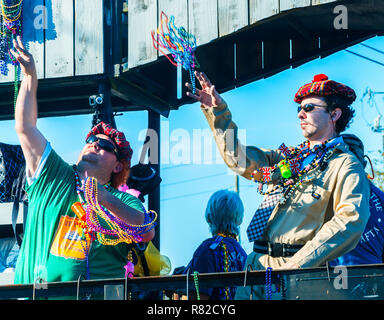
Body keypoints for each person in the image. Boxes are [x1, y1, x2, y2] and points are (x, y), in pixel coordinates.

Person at [186, 71, 370, 299]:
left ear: (334, 114)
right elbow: (239, 159)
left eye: (309, 108)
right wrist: (218, 111)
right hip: (255, 269)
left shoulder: (345, 164)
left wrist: (296, 267)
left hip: (296, 276)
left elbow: (350, 220)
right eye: (299, 109)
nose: (301, 114)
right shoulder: (289, 158)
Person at [10, 36, 155, 286]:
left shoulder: (120, 199)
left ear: (118, 166)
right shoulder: (54, 174)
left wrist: (106, 199)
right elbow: (24, 126)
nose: (93, 144)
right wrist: (30, 77)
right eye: (90, 139)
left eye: (104, 145)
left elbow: (146, 231)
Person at [181, 190, 247, 300]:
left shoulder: (207, 250)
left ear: (209, 217)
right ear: (239, 220)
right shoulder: (243, 254)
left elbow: (198, 296)